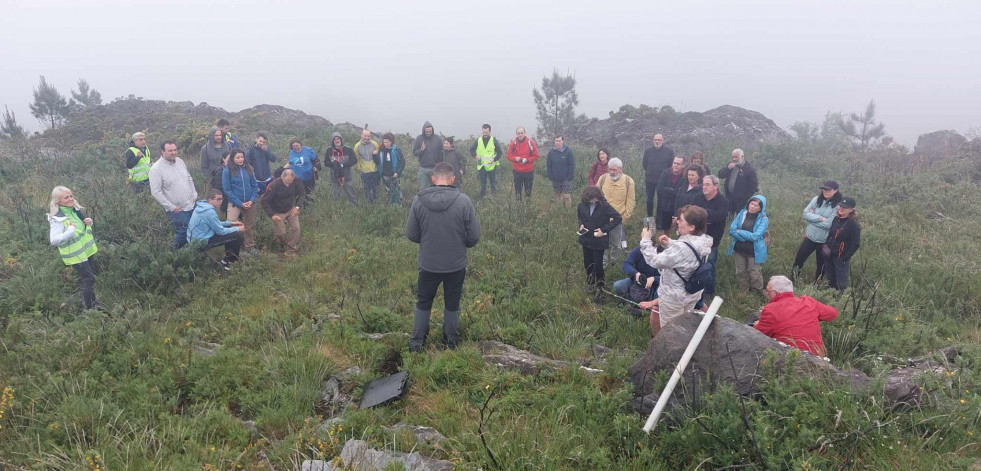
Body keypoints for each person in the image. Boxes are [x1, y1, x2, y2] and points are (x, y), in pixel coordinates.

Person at [405, 162, 481, 352]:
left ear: (433, 179)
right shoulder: (464, 201)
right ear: (453, 179)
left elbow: (412, 234)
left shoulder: (418, 200)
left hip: (428, 263)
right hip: (455, 264)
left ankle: (417, 343)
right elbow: (473, 237)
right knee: (452, 302)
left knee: (423, 302)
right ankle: (451, 343)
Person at [639, 205, 712, 335]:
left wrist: (645, 240)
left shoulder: (681, 248)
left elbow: (654, 261)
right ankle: (686, 349)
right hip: (691, 294)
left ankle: (671, 354)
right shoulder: (704, 241)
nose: (677, 221)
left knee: (671, 333)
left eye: (681, 220)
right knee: (684, 327)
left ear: (691, 227)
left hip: (674, 298)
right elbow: (688, 253)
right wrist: (670, 244)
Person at [47, 186, 102, 310]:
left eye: (71, 196)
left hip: (86, 251)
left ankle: (94, 303)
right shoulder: (58, 219)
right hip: (76, 255)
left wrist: (88, 222)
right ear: (58, 201)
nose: (70, 199)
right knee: (89, 278)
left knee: (89, 277)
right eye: (66, 197)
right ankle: (89, 309)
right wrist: (70, 231)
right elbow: (54, 240)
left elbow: (82, 228)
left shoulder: (75, 210)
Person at [755, 276, 839, 356]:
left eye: (768, 291)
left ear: (776, 293)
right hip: (818, 356)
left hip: (791, 358)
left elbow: (757, 334)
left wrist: (757, 324)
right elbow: (833, 314)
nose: (766, 294)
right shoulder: (809, 302)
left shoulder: (771, 309)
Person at [577, 186, 623, 303]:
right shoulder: (582, 205)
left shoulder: (604, 206)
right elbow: (580, 217)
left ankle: (600, 288)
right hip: (586, 239)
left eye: (596, 199)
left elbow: (618, 218)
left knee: (598, 265)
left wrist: (604, 230)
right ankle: (590, 283)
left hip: (599, 241)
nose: (594, 201)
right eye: (592, 199)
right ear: (586, 198)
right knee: (587, 263)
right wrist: (581, 225)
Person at [149, 140, 198, 249]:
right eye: (170, 150)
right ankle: (175, 257)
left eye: (175, 150)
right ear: (162, 151)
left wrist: (194, 194)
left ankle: (193, 255)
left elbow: (188, 178)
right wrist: (172, 208)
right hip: (178, 210)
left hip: (191, 204)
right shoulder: (156, 169)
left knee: (194, 230)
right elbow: (156, 192)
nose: (174, 153)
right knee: (182, 233)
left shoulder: (180, 161)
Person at [792, 180, 842, 281]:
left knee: (821, 265)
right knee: (799, 259)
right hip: (810, 237)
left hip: (824, 241)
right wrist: (820, 218)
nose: (825, 191)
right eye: (824, 189)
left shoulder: (838, 206)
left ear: (836, 190)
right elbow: (805, 214)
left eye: (828, 190)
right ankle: (793, 279)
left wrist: (812, 217)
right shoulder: (816, 199)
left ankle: (816, 286)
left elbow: (829, 225)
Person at [692, 175, 729, 302]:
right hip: (696, 238)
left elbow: (718, 217)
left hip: (711, 241)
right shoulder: (698, 198)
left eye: (707, 184)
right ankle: (695, 289)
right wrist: (707, 216)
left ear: (715, 186)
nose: (704, 187)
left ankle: (708, 292)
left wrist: (702, 214)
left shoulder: (722, 201)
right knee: (694, 264)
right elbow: (692, 214)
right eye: (703, 184)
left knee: (709, 266)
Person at [188, 188, 244, 269]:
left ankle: (226, 260)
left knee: (229, 228)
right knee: (236, 235)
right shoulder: (209, 212)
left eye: (221, 199)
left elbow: (214, 223)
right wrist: (238, 229)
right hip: (200, 242)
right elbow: (220, 231)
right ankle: (229, 263)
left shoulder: (201, 207)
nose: (220, 201)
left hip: (195, 239)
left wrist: (231, 223)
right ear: (210, 200)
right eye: (218, 199)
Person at [596, 158, 635, 265]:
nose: (612, 172)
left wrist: (624, 217)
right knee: (601, 241)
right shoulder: (603, 178)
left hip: (617, 220)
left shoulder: (628, 181)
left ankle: (614, 262)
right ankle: (602, 263)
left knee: (616, 243)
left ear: (620, 169)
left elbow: (631, 201)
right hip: (602, 219)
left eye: (614, 170)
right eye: (610, 170)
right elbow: (595, 194)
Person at [727, 195, 769, 293]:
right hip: (739, 248)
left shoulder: (763, 219)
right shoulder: (742, 213)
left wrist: (739, 232)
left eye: (756, 206)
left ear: (761, 208)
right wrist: (743, 237)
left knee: (754, 273)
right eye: (751, 204)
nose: (752, 207)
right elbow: (732, 230)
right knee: (740, 271)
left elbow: (755, 236)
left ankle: (757, 293)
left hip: (754, 251)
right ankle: (743, 291)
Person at [222, 149, 260, 254]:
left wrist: (252, 200)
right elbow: (227, 190)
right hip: (235, 202)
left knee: (249, 225)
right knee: (231, 225)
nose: (240, 159)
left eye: (242, 157)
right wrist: (239, 203)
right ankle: (231, 249)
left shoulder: (249, 169)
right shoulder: (227, 171)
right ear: (233, 159)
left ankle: (249, 246)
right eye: (237, 157)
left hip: (249, 202)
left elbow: (254, 186)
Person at [262, 168, 304, 255]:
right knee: (281, 233)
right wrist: (272, 215)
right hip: (277, 211)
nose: (288, 184)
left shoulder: (296, 181)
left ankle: (291, 249)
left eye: (290, 182)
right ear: (282, 177)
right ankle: (282, 243)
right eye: (286, 182)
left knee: (296, 229)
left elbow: (302, 193)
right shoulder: (274, 185)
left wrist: (297, 207)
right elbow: (264, 201)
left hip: (290, 208)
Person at [824, 197, 861, 293]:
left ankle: (841, 302)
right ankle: (831, 297)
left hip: (841, 258)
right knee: (831, 279)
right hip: (830, 255)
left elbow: (856, 244)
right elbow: (830, 234)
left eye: (844, 207)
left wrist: (845, 257)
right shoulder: (836, 219)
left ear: (851, 209)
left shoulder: (853, 225)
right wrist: (826, 246)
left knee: (841, 283)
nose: (841, 208)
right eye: (840, 205)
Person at [717, 148, 759, 216]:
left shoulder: (749, 169)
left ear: (742, 156)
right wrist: (727, 168)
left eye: (736, 157)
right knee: (728, 218)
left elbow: (753, 186)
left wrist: (745, 197)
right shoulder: (730, 166)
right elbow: (720, 175)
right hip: (729, 198)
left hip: (742, 201)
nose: (734, 159)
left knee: (740, 219)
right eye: (733, 157)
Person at [642, 133, 675, 217]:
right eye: (655, 140)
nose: (657, 141)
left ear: (662, 140)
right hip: (650, 179)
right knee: (649, 199)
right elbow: (644, 164)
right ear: (653, 140)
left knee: (661, 200)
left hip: (663, 180)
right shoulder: (648, 151)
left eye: (659, 140)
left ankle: (659, 219)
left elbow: (671, 165)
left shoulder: (669, 151)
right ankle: (649, 217)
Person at [469, 124, 504, 200]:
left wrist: (494, 159)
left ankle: (494, 199)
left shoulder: (494, 141)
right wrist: (475, 155)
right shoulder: (478, 140)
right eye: (484, 132)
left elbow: (500, 153)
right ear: (482, 131)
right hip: (481, 166)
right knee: (482, 185)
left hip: (492, 166)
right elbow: (471, 150)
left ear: (490, 131)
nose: (485, 134)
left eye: (486, 132)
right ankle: (482, 200)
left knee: (493, 184)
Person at [654, 156, 686, 236]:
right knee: (665, 227)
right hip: (665, 205)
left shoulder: (685, 177)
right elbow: (660, 189)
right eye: (674, 163)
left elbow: (682, 193)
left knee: (680, 227)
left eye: (678, 164)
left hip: (678, 206)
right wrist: (674, 191)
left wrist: (668, 190)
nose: (675, 165)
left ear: (683, 166)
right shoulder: (665, 173)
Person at [324, 132, 358, 205]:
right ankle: (337, 208)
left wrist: (343, 165)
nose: (337, 140)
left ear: (341, 139)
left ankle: (355, 206)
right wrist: (333, 164)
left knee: (350, 192)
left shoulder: (348, 149)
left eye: (338, 138)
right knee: (336, 193)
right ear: (332, 141)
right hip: (334, 176)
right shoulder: (329, 150)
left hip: (347, 175)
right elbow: (326, 162)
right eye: (335, 139)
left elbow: (354, 160)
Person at [506, 126, 539, 201]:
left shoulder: (530, 143)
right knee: (518, 191)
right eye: (518, 133)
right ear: (516, 134)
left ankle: (527, 206)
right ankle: (519, 208)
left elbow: (536, 156)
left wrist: (527, 160)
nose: (520, 135)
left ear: (525, 133)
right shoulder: (513, 144)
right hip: (517, 171)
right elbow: (508, 156)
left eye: (522, 133)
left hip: (528, 171)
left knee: (528, 191)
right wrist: (515, 158)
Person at [412, 121, 443, 191]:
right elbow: (414, 153)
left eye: (430, 131)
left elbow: (442, 153)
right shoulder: (419, 138)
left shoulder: (438, 138)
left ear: (432, 130)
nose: (429, 133)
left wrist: (440, 166)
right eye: (427, 132)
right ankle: (425, 202)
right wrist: (421, 150)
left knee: (436, 189)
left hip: (435, 168)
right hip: (423, 169)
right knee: (423, 190)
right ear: (423, 130)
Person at [376, 132, 405, 205]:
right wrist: (374, 155)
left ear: (391, 141)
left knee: (397, 191)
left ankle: (398, 206)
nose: (385, 144)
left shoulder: (397, 150)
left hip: (394, 175)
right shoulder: (381, 150)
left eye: (387, 142)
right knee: (388, 191)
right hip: (385, 175)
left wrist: (397, 173)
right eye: (384, 142)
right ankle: (390, 205)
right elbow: (377, 161)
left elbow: (402, 162)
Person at [546, 135, 575, 207]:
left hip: (566, 178)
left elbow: (571, 164)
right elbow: (549, 165)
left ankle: (568, 212)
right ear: (554, 142)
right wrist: (550, 176)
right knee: (558, 196)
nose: (558, 142)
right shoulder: (551, 152)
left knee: (566, 196)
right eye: (556, 141)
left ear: (563, 141)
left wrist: (570, 176)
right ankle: (560, 212)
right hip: (555, 178)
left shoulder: (568, 151)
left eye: (559, 141)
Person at [353, 128, 381, 202]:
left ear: (370, 136)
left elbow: (378, 155)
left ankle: (375, 200)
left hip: (374, 169)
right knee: (367, 188)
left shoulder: (374, 144)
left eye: (368, 136)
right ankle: (369, 202)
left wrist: (379, 166)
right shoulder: (357, 146)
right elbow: (357, 158)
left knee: (375, 187)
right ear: (361, 135)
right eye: (365, 136)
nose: (366, 138)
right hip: (364, 171)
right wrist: (360, 168)